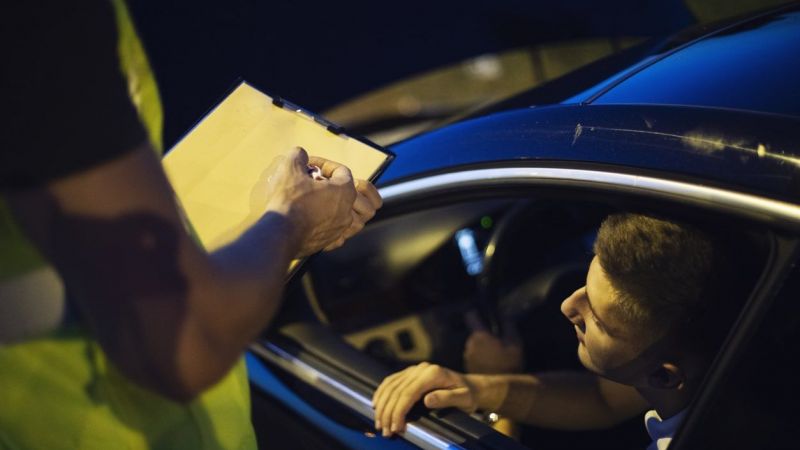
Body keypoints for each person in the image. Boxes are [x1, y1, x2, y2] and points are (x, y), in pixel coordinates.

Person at [0, 1, 380, 448]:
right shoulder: (38, 22)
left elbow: (101, 262)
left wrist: (277, 224)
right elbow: (183, 342)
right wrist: (291, 221)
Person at [373, 213, 745, 450]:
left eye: (597, 319)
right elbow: (604, 400)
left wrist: (497, 398)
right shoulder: (713, 369)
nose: (568, 305)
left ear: (663, 376)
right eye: (585, 284)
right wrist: (475, 388)